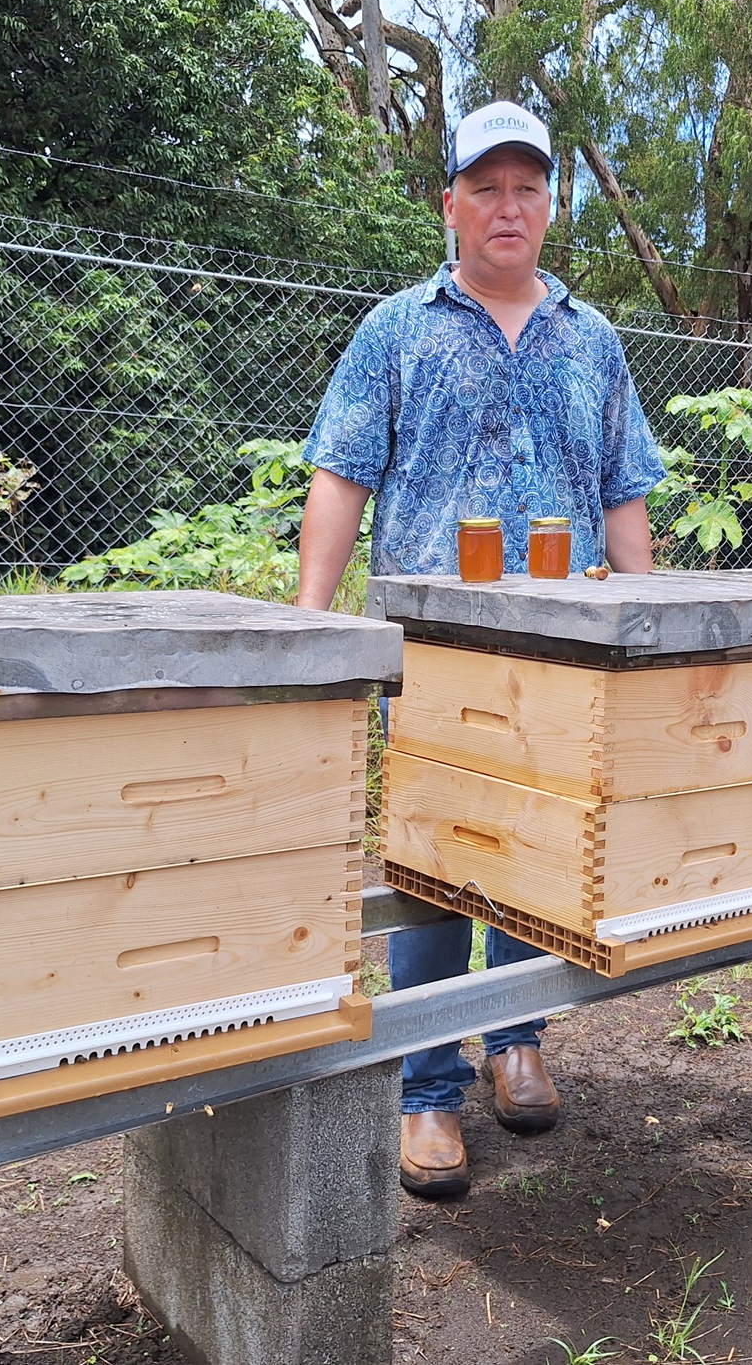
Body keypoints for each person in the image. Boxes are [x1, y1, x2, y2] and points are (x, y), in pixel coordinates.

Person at [295, 100, 666, 1199]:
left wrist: (641, 628)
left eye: (529, 189)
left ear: (551, 207)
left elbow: (624, 493)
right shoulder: (395, 330)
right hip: (436, 659)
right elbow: (340, 478)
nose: (509, 208)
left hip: (561, 660)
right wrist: (316, 630)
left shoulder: (591, 341)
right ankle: (423, 1093)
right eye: (487, 188)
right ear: (447, 203)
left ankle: (515, 1042)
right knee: (433, 864)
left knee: (540, 856)